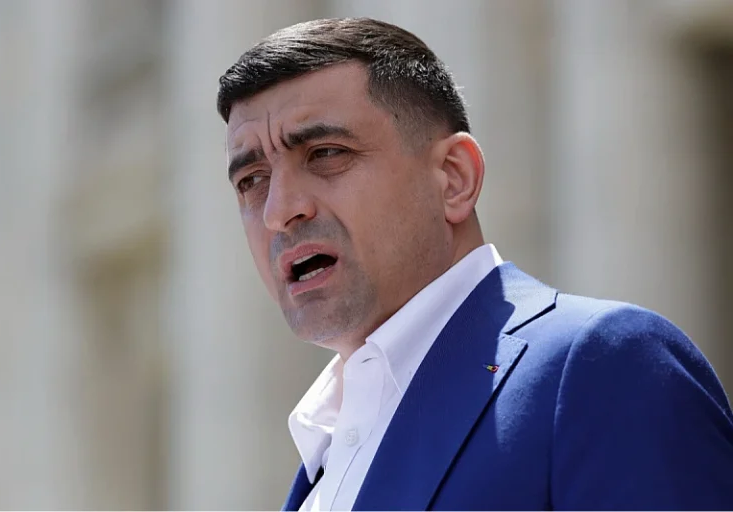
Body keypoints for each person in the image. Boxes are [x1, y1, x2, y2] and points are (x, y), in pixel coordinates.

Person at [216, 17, 733, 511]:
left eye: (327, 153)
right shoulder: (326, 446)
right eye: (251, 180)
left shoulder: (600, 366)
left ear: (454, 178)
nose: (279, 211)